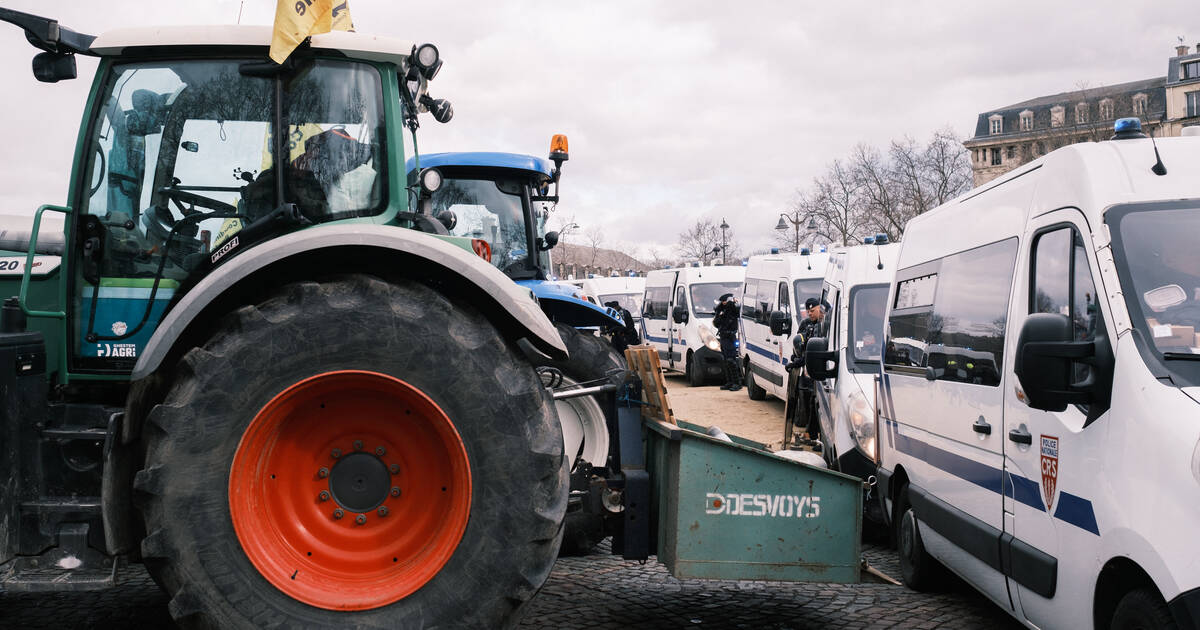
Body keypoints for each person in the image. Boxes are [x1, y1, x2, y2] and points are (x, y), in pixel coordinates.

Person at [784, 297, 829, 446]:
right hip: (809, 370)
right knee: (811, 402)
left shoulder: (825, 325)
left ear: (820, 309)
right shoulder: (806, 324)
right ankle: (812, 435)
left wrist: (797, 362)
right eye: (808, 311)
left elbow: (813, 353)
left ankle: (817, 437)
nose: (810, 313)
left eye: (813, 310)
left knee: (818, 404)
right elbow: (801, 345)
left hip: (821, 369)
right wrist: (796, 356)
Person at [712, 293, 743, 391]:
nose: (723, 303)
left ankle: (737, 383)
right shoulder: (721, 310)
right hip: (724, 336)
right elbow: (716, 323)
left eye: (724, 301)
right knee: (726, 360)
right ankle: (730, 382)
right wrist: (719, 313)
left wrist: (734, 303)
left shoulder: (732, 308)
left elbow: (737, 311)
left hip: (730, 337)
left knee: (731, 360)